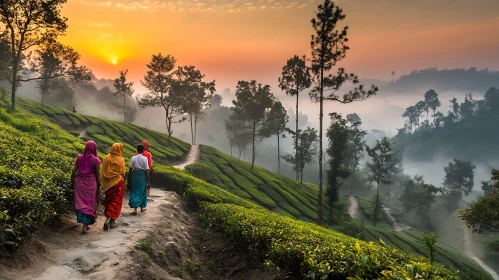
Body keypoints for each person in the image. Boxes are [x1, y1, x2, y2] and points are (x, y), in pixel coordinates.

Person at [71, 141, 101, 234]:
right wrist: (99, 184)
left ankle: (83, 222)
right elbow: (97, 174)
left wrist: (72, 182)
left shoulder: (79, 158)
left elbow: (73, 172)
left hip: (79, 183)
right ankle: (85, 225)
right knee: (89, 204)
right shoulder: (96, 160)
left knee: (81, 203)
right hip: (91, 184)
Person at [100, 143, 126, 231]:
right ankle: (110, 221)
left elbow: (103, 170)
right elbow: (123, 173)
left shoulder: (106, 157)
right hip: (118, 183)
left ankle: (109, 220)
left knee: (109, 201)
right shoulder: (121, 160)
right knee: (116, 202)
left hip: (108, 184)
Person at [128, 144, 150, 215]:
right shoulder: (145, 159)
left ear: (137, 150)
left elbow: (130, 169)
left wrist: (129, 180)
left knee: (134, 191)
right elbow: (146, 170)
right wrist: (148, 181)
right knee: (142, 191)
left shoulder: (133, 158)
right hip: (142, 176)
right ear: (143, 151)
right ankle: (142, 207)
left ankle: (135, 210)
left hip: (135, 176)